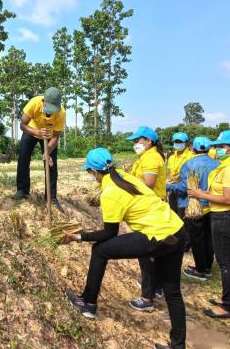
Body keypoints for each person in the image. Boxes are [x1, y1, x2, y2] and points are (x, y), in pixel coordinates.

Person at [65, 148, 186, 349]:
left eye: (90, 173)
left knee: (99, 250)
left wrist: (79, 237)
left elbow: (108, 234)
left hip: (156, 235)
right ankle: (177, 345)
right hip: (177, 230)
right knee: (173, 291)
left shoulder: (111, 192)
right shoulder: (124, 176)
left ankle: (88, 303)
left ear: (93, 172)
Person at [188, 130, 230, 319]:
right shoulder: (227, 166)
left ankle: (228, 307)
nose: (218, 149)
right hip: (225, 217)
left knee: (226, 264)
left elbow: (228, 199)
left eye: (222, 146)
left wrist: (200, 195)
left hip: (226, 218)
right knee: (227, 262)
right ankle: (226, 299)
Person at [125, 126, 166, 311]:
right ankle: (156, 287)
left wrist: (125, 180)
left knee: (146, 253)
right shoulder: (147, 155)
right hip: (152, 208)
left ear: (148, 141)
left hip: (150, 211)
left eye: (137, 141)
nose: (135, 144)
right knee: (154, 252)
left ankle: (147, 298)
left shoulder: (150, 156)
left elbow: (148, 183)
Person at [167, 137, 219, 280]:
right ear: (209, 148)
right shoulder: (217, 164)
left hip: (194, 207)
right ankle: (208, 267)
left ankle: (200, 271)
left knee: (197, 238)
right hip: (212, 205)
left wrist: (167, 186)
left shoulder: (189, 164)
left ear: (193, 148)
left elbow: (184, 188)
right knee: (209, 238)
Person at [12, 87, 66, 211]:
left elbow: (56, 136)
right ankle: (22, 190)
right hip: (31, 130)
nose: (51, 111)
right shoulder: (34, 103)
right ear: (44, 101)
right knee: (23, 159)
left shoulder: (61, 112)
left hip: (49, 135)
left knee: (51, 164)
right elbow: (22, 125)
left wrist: (48, 151)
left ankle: (51, 197)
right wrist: (36, 131)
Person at [167, 132, 193, 215]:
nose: (177, 143)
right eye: (176, 141)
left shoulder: (191, 156)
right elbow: (169, 172)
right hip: (172, 189)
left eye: (180, 142)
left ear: (186, 143)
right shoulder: (171, 157)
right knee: (173, 213)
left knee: (183, 214)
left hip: (184, 190)